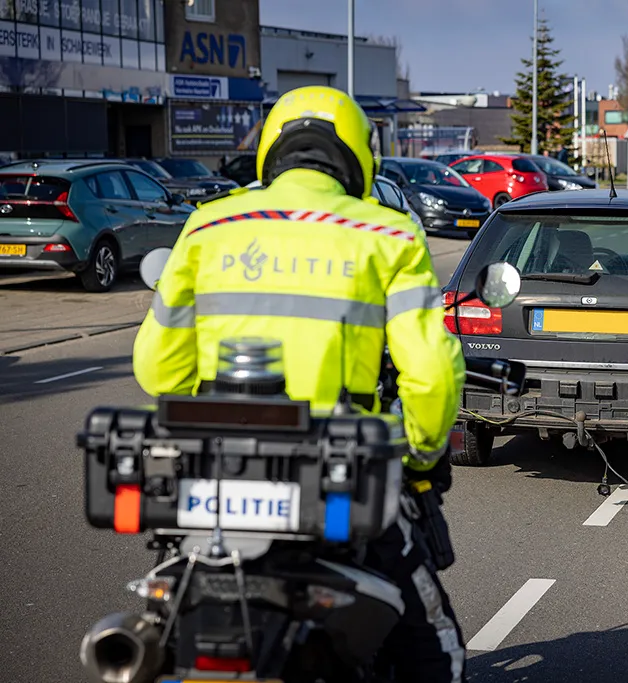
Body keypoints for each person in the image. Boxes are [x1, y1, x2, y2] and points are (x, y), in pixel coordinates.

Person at [132, 85, 468, 683]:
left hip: (219, 472)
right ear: (358, 156)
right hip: (338, 471)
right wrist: (418, 454)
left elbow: (159, 370)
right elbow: (430, 373)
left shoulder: (208, 226)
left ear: (271, 151)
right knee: (433, 644)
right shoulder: (389, 236)